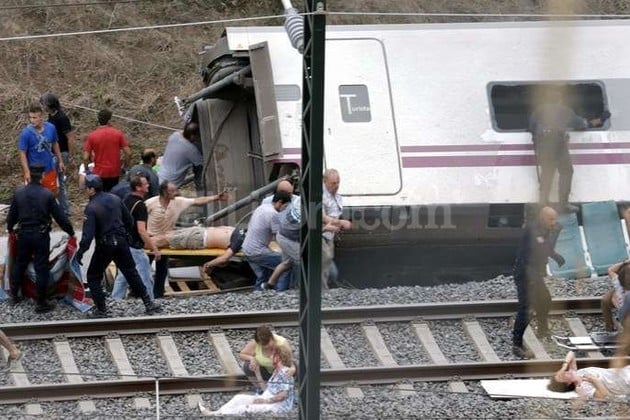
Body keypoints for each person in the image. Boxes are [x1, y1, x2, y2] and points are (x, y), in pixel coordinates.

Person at [75, 174, 161, 317]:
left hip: (105, 244)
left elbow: (87, 236)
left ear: (91, 190)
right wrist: (124, 234)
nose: (86, 191)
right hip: (121, 242)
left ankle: (101, 309)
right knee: (131, 272)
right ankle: (148, 303)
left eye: (87, 188)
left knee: (93, 276)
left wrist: (80, 252)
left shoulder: (91, 207)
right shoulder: (115, 199)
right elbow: (129, 220)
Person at [6, 165, 75, 313]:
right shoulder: (47, 194)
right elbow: (60, 217)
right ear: (42, 176)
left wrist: (10, 229)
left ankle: (14, 296)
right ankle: (41, 302)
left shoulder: (19, 193)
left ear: (29, 175)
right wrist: (70, 231)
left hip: (24, 235)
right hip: (40, 235)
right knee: (41, 267)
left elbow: (11, 217)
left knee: (20, 263)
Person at [529, 88, 609, 213]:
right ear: (560, 100)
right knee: (566, 171)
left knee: (547, 173)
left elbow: (531, 127)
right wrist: (601, 120)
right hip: (558, 144)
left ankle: (543, 202)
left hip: (543, 146)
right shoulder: (564, 110)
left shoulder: (538, 111)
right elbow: (582, 125)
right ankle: (563, 203)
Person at [145, 181, 229, 297]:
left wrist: (216, 197)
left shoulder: (178, 201)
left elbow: (198, 201)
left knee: (162, 269)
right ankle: (139, 292)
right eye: (172, 191)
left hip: (165, 240)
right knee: (144, 266)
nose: (176, 193)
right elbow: (139, 218)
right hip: (150, 240)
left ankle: (157, 294)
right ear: (164, 192)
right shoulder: (150, 203)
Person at [512, 206, 565, 359]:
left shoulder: (545, 229)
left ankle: (542, 329)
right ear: (542, 218)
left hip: (534, 274)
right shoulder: (533, 230)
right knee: (526, 308)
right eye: (551, 219)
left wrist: (555, 255)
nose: (554, 222)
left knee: (545, 300)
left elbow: (546, 247)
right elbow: (542, 247)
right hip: (525, 273)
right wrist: (555, 235)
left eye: (555, 219)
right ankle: (517, 344)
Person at [198, 345, 295, 416]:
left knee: (244, 408)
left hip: (277, 406)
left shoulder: (284, 372)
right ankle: (216, 413)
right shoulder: (276, 371)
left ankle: (218, 414)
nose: (269, 357)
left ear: (278, 357)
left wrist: (264, 400)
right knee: (239, 398)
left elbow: (282, 395)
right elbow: (267, 390)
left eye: (272, 355)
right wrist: (257, 372)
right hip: (267, 399)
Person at [111, 175, 161, 301]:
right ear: (138, 187)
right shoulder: (140, 205)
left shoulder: (126, 199)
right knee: (145, 276)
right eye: (145, 184)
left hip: (123, 243)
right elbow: (141, 230)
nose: (148, 185)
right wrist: (154, 248)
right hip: (135, 246)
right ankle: (150, 301)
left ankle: (115, 300)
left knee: (123, 275)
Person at [241, 191, 292, 290]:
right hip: (257, 252)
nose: (285, 209)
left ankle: (258, 294)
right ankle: (281, 293)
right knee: (286, 264)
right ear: (279, 202)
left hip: (246, 249)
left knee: (263, 277)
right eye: (285, 206)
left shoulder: (261, 207)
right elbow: (279, 237)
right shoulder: (274, 214)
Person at [18, 103, 65, 196]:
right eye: (30, 117)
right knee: (33, 196)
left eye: (34, 117)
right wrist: (27, 172)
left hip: (49, 169)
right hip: (34, 172)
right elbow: (22, 153)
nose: (32, 120)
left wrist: (60, 161)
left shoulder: (51, 128)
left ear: (41, 117)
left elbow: (55, 144)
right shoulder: (25, 133)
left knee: (53, 194)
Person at [40, 93, 75, 217]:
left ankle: (64, 210)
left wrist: (70, 155)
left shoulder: (62, 118)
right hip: (52, 154)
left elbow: (70, 138)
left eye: (44, 104)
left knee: (60, 181)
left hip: (62, 153)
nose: (43, 106)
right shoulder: (51, 116)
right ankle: (56, 208)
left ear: (50, 105)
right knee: (52, 181)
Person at [238, 324, 296, 393]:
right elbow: (242, 354)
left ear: (272, 337)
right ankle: (259, 388)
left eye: (267, 344)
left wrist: (293, 368)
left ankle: (283, 387)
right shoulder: (255, 343)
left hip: (281, 372)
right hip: (265, 372)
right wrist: (252, 359)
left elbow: (290, 360)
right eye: (263, 345)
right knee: (247, 366)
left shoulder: (282, 343)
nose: (266, 347)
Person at [83, 108, 131, 192]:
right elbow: (128, 153)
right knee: (113, 194)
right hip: (114, 171)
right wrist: (125, 167)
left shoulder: (92, 136)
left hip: (99, 172)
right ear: (109, 120)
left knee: (100, 195)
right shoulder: (118, 134)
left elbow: (85, 157)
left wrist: (87, 170)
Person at [547, 350, 630, 399]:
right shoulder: (583, 388)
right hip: (625, 383)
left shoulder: (575, 372)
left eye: (560, 372)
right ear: (568, 383)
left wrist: (564, 366)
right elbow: (605, 396)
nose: (564, 372)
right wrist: (595, 381)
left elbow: (571, 353)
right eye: (562, 376)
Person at [322, 168, 352, 289]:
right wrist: (341, 222)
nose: (336, 185)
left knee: (328, 265)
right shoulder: (320, 196)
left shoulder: (337, 197)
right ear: (325, 181)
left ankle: (325, 289)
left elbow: (336, 214)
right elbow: (322, 217)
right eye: (333, 183)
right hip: (321, 234)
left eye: (338, 182)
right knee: (324, 263)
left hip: (330, 236)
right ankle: (322, 291)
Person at [157, 122, 203, 189]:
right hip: (171, 181)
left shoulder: (175, 135)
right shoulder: (191, 150)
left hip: (161, 174)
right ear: (192, 136)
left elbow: (181, 132)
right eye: (198, 136)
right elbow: (202, 163)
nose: (198, 138)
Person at [602, 260, 630, 332]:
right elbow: (610, 270)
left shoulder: (618, 283)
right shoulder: (618, 283)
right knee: (605, 300)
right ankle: (610, 328)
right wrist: (626, 262)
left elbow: (611, 270)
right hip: (624, 317)